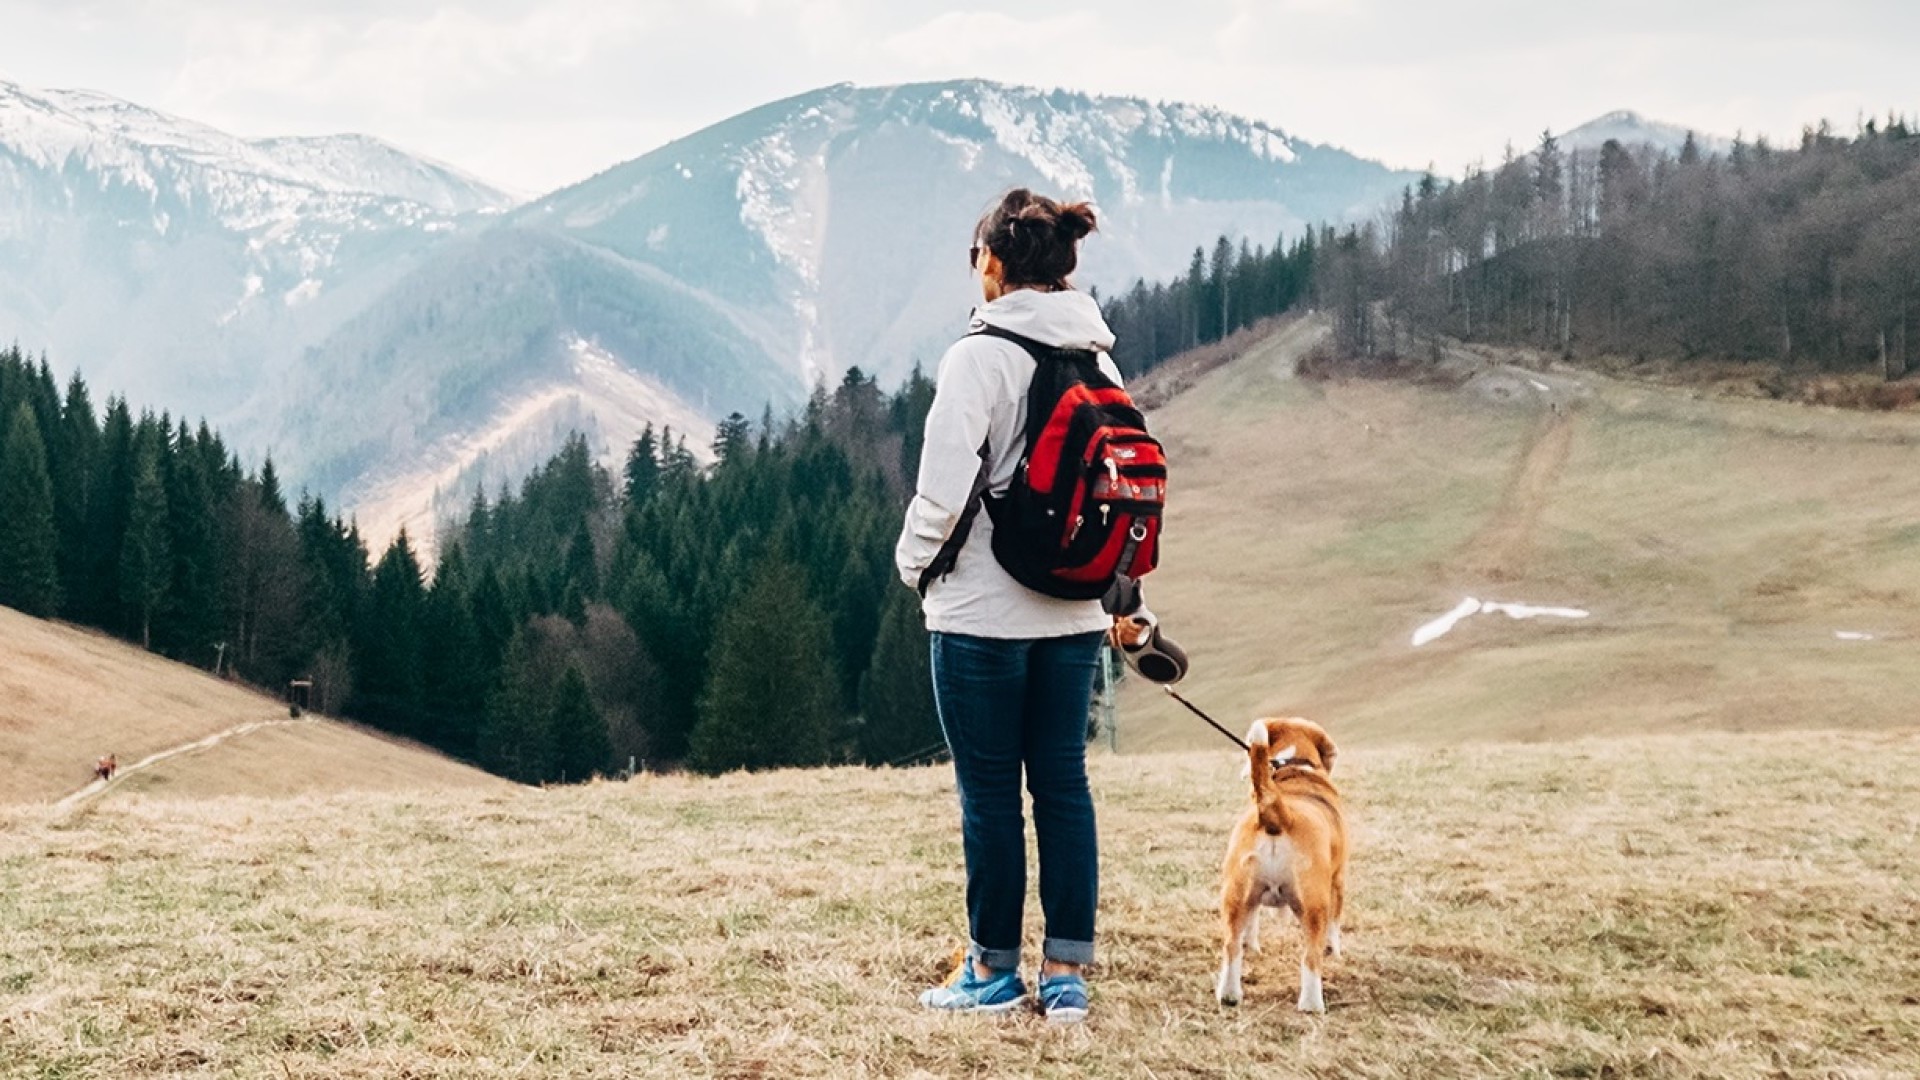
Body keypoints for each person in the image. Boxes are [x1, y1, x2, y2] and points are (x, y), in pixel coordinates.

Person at [895, 188, 1126, 1024]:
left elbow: (941, 492)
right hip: (1074, 615)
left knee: (989, 795)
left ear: (992, 262)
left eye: (974, 257)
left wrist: (915, 568)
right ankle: (1066, 972)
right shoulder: (1100, 356)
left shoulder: (978, 357)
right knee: (1063, 786)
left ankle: (992, 971)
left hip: (982, 618)